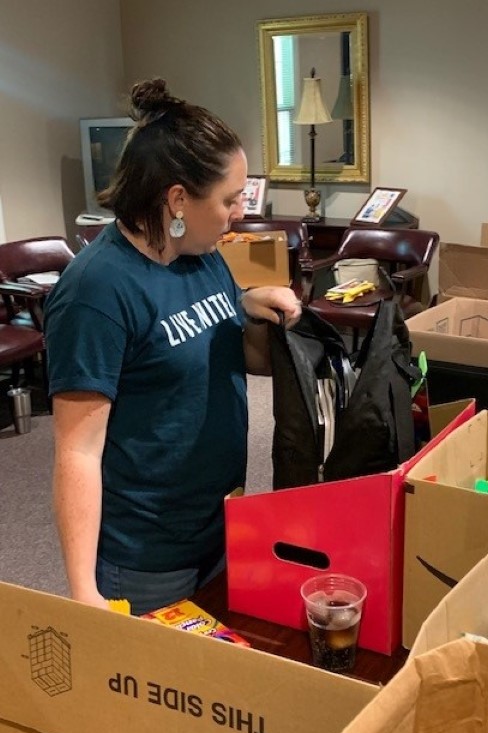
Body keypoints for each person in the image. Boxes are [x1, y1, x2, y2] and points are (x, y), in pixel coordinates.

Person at [44, 78, 301, 616]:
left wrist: (252, 309)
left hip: (220, 526)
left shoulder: (201, 254)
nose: (238, 213)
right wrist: (82, 592)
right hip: (148, 559)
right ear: (178, 198)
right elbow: (77, 450)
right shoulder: (97, 292)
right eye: (230, 199)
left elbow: (234, 358)